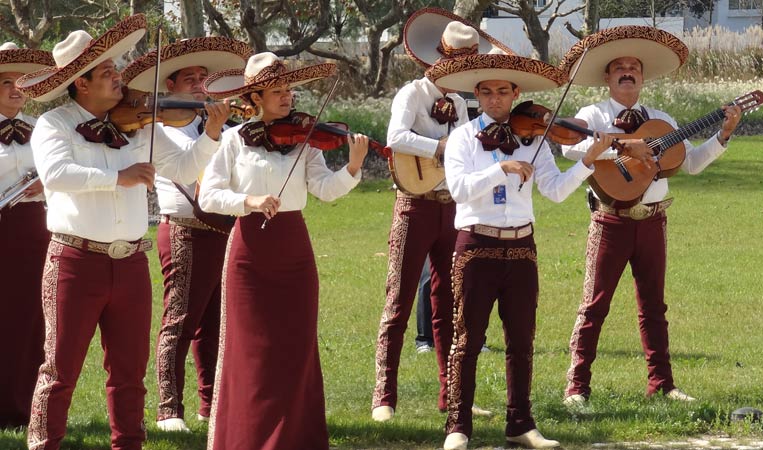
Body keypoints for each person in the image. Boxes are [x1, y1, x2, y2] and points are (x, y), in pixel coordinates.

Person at [17, 14, 228, 450]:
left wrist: (209, 133)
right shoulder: (53, 124)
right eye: (109, 72)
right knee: (59, 371)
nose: (120, 78)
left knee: (130, 374)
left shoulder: (141, 120)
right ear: (81, 83)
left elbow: (187, 168)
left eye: (117, 69)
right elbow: (56, 174)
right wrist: (120, 176)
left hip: (131, 261)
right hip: (75, 260)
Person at [426, 51, 613, 450]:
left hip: (522, 247)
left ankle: (520, 424)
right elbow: (458, 190)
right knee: (467, 339)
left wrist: (588, 163)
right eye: (488, 92)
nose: (496, 99)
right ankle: (457, 426)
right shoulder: (461, 137)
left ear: (515, 95)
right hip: (476, 245)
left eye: (504, 92)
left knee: (521, 341)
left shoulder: (535, 138)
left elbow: (556, 191)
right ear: (477, 94)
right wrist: (501, 169)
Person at [558, 26, 741, 407]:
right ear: (608, 77)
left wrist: (723, 135)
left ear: (642, 77)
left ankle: (662, 383)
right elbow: (571, 151)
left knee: (654, 306)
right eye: (619, 67)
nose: (628, 72)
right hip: (610, 220)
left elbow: (689, 164)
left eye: (634, 67)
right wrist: (624, 147)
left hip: (654, 221)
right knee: (595, 304)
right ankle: (577, 386)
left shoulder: (661, 119)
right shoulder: (592, 113)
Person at [199, 52, 368, 450]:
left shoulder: (306, 138)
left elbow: (324, 189)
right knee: (251, 351)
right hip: (250, 253)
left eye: (289, 88)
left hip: (294, 251)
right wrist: (250, 201)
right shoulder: (233, 139)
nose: (288, 96)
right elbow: (208, 196)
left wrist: (354, 167)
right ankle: (246, 439)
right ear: (255, 96)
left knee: (296, 347)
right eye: (277, 90)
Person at [371, 8, 512, 422]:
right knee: (398, 300)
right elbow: (395, 137)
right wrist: (440, 149)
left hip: (451, 206)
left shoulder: (463, 104)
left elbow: (468, 150)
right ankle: (384, 395)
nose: (461, 69)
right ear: (439, 58)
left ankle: (451, 393)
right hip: (413, 204)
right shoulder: (412, 94)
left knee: (450, 302)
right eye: (457, 61)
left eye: (468, 62)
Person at [121, 36, 251, 432]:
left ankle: (211, 405)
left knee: (215, 325)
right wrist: (215, 131)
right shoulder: (165, 125)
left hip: (223, 230)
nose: (198, 83)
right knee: (179, 322)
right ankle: (168, 410)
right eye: (188, 78)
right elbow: (192, 171)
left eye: (202, 77)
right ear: (170, 87)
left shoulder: (223, 125)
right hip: (185, 231)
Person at [0, 42, 53, 430]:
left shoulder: (42, 128)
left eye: (20, 83)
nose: (16, 89)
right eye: (6, 83)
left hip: (34, 231)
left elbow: (63, 175)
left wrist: (44, 185)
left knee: (32, 318)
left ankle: (23, 408)